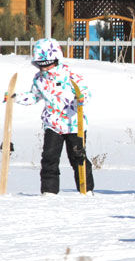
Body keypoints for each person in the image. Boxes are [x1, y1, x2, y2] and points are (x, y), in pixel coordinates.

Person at [9, 38, 94, 194]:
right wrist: (16, 98)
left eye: (48, 64)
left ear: (56, 60)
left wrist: (81, 98)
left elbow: (85, 93)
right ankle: (49, 191)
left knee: (77, 157)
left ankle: (86, 189)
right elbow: (34, 96)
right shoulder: (39, 79)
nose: (46, 68)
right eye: (42, 65)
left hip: (74, 123)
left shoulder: (70, 75)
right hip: (52, 124)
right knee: (49, 158)